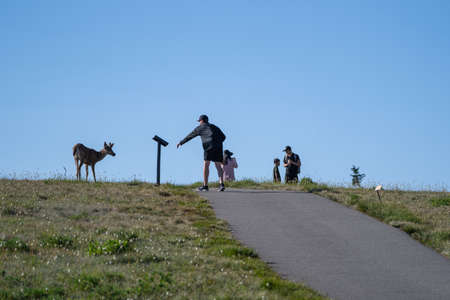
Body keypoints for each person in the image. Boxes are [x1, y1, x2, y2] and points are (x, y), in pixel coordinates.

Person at [177, 114, 226, 191]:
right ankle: (221, 184)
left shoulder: (200, 127)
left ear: (201, 121)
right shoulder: (214, 126)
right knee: (218, 165)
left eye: (199, 121)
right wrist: (218, 143)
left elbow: (191, 135)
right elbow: (223, 136)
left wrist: (181, 142)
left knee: (206, 164)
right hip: (218, 145)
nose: (199, 122)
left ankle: (205, 185)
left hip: (208, 145)